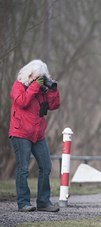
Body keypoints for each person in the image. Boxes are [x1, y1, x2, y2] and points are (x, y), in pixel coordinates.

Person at [9, 59, 60, 212]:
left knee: (46, 166)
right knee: (23, 168)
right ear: (29, 74)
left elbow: (53, 105)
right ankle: (23, 203)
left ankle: (43, 202)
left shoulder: (40, 90)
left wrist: (52, 89)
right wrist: (36, 86)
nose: (37, 80)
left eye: (40, 77)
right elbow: (22, 102)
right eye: (36, 77)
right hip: (20, 133)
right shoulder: (18, 86)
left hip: (38, 134)